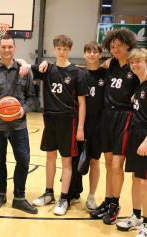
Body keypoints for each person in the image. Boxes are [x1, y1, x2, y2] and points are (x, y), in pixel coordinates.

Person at [0, 35, 38, 214]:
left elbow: (32, 98)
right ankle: (1, 194)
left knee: (24, 161)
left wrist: (23, 110)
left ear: (14, 48)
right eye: (3, 47)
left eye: (10, 47)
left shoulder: (24, 70)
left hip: (19, 125)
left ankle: (19, 197)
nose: (6, 50)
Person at [31, 34, 88, 216]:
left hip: (68, 121)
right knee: (49, 158)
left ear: (70, 50)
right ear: (54, 49)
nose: (62, 52)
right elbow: (22, 66)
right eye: (59, 48)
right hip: (50, 119)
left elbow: (82, 103)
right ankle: (49, 193)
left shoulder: (77, 73)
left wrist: (80, 128)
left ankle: (64, 197)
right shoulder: (46, 69)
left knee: (66, 161)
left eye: (65, 49)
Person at [90, 29, 139, 225]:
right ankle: (108, 200)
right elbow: (89, 69)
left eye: (119, 45)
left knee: (118, 165)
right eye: (112, 46)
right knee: (109, 164)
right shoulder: (109, 65)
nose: (115, 49)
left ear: (128, 45)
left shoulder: (135, 67)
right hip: (107, 117)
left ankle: (115, 204)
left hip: (124, 117)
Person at [68, 42, 106, 210]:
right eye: (88, 51)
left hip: (98, 124)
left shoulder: (106, 73)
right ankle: (73, 193)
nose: (92, 54)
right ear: (84, 54)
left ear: (100, 54)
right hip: (79, 123)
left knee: (94, 162)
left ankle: (91, 196)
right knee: (75, 160)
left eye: (95, 51)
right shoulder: (79, 73)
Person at [116, 48, 147, 237]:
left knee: (145, 181)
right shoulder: (139, 85)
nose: (135, 65)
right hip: (135, 135)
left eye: (139, 61)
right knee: (136, 179)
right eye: (132, 62)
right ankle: (136, 216)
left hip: (145, 137)